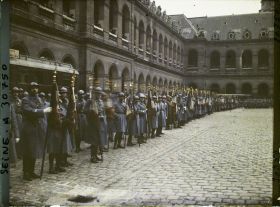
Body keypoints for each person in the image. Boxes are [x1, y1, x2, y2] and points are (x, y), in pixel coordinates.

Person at [21, 82, 52, 181]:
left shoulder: (39, 99)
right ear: (29, 89)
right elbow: (28, 111)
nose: (35, 89)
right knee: (28, 151)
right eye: (33, 88)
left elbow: (42, 107)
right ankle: (26, 172)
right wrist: (43, 111)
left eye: (36, 88)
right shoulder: (25, 100)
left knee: (34, 150)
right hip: (29, 128)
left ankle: (31, 171)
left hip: (37, 128)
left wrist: (44, 110)